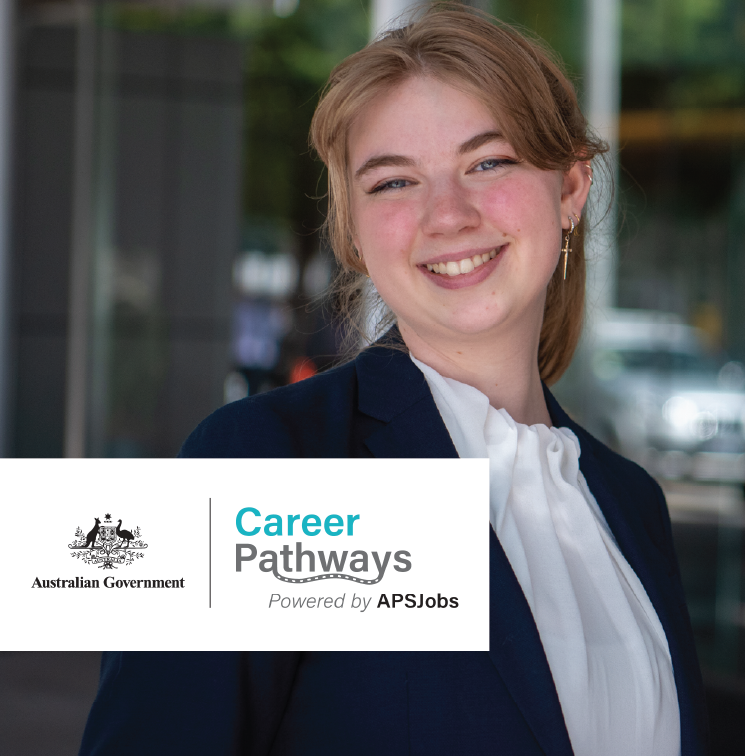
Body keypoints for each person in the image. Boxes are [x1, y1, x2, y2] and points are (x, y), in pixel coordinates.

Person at [79, 5, 708, 755]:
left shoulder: (631, 504)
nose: (446, 214)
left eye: (488, 162)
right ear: (352, 233)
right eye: (393, 183)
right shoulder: (267, 466)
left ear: (570, 187)